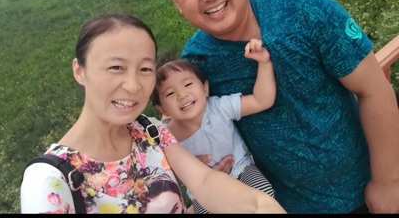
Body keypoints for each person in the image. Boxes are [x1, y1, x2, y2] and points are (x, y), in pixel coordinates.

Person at [155, 0, 399, 214]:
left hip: (367, 187)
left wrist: (387, 182)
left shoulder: (304, 8)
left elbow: (374, 89)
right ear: (175, 1)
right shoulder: (195, 67)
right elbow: (183, 126)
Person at [20, 13, 285, 214]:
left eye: (145, 69)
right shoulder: (49, 182)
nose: (133, 86)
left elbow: (204, 181)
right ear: (80, 70)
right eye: (116, 67)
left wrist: (262, 206)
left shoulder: (149, 131)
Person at [153, 38, 276, 213]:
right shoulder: (167, 136)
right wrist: (189, 168)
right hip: (203, 189)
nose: (182, 95)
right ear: (162, 109)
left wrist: (264, 63)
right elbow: (163, 174)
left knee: (264, 194)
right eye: (170, 93)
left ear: (205, 88)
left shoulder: (219, 108)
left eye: (188, 84)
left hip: (240, 170)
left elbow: (261, 101)